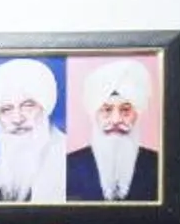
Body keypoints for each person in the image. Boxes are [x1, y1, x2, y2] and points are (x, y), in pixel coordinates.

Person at [67, 58, 161, 203]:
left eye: (125, 110)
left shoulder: (159, 165)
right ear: (94, 114)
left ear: (137, 113)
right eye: (106, 110)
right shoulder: (69, 166)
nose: (116, 120)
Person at [0, 58, 65, 203]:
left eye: (27, 105)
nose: (17, 119)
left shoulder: (69, 163)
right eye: (6, 109)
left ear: (45, 108)